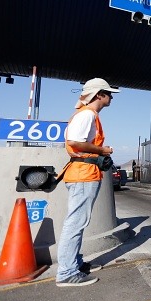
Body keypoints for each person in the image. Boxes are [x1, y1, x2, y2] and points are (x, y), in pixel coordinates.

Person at [56, 78, 119, 287]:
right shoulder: (87, 115)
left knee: (78, 223)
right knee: (75, 224)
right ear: (98, 95)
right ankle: (66, 273)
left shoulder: (88, 115)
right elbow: (74, 142)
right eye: (108, 93)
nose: (111, 97)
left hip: (85, 173)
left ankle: (74, 263)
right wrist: (103, 150)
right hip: (82, 175)